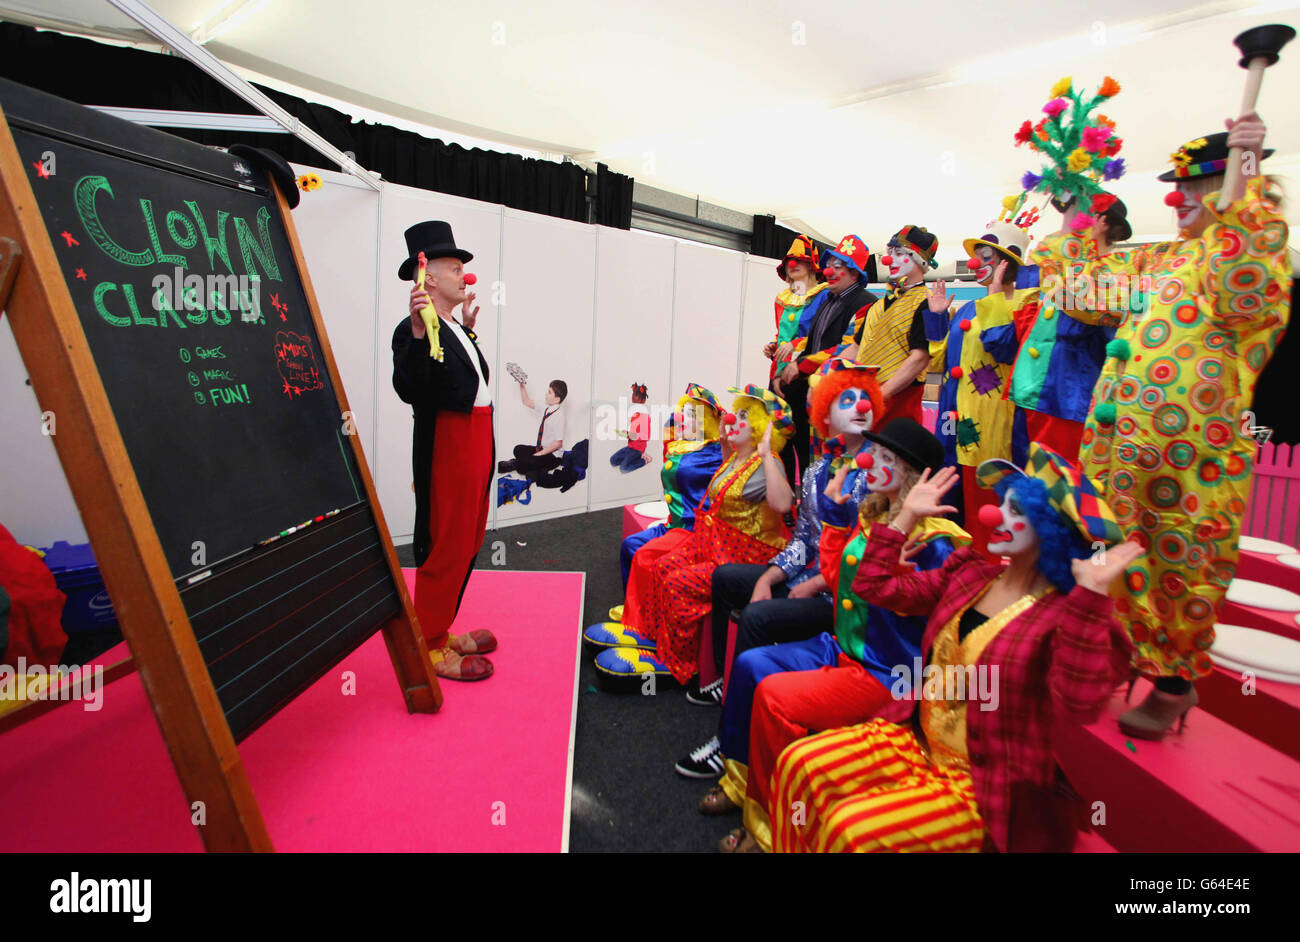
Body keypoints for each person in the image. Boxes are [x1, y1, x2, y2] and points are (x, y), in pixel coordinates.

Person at [770, 445, 1141, 853]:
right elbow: (873, 587)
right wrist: (906, 517)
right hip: (917, 740)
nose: (994, 515)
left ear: (1050, 532)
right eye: (1003, 504)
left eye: (1017, 512)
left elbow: (1078, 702)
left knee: (850, 832)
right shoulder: (971, 572)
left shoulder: (1064, 617)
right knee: (798, 766)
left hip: (981, 781)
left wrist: (1090, 596)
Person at [1064, 117, 1290, 738]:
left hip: (1192, 463)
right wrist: (1079, 215)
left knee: (1183, 560)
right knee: (1117, 549)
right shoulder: (1163, 257)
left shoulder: (1251, 251)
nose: (1178, 198)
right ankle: (1123, 653)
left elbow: (1244, 292)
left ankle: (1173, 682)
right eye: (1177, 185)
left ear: (1229, 189)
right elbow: (1080, 293)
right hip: (1122, 451)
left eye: (1198, 185)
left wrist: (1247, 180)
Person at [701, 418, 971, 853]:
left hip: (885, 673)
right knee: (751, 665)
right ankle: (742, 780)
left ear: (914, 475)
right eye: (875, 455)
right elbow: (838, 579)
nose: (869, 464)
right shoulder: (876, 514)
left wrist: (894, 525)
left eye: (886, 459)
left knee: (775, 697)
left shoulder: (936, 541)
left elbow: (881, 592)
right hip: (843, 649)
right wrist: (833, 524)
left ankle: (771, 826)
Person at [674, 359, 882, 777]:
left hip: (844, 597)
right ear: (825, 411)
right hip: (808, 577)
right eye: (847, 398)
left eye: (865, 398)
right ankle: (724, 684)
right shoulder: (821, 468)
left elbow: (869, 554)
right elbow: (804, 538)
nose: (860, 405)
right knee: (727, 579)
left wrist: (814, 584)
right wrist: (771, 576)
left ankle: (732, 742)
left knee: (757, 617)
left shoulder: (879, 474)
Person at [595, 386, 792, 685]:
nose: (732, 418)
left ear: (759, 428)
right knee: (660, 566)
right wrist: (728, 445)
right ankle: (651, 635)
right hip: (715, 543)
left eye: (743, 415)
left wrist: (766, 454)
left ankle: (679, 662)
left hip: (743, 554)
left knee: (676, 581)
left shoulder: (767, 462)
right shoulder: (734, 459)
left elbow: (783, 504)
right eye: (735, 413)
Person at [392, 220, 499, 681]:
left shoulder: (456, 327)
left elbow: (466, 381)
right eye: (454, 268)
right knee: (444, 542)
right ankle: (429, 645)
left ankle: (439, 628)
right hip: (449, 445)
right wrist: (419, 333)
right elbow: (410, 387)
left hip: (478, 439)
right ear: (428, 278)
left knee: (469, 538)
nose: (465, 276)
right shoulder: (414, 329)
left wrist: (468, 334)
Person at [584, 384, 725, 650]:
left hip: (694, 532)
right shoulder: (683, 446)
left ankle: (645, 627)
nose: (685, 418)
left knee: (645, 556)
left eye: (693, 415)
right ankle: (634, 609)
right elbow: (669, 442)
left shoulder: (714, 453)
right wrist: (678, 418)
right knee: (630, 546)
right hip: (674, 525)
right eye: (685, 412)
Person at [925, 219, 1037, 548]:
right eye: (978, 256)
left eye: (987, 257)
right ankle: (958, 561)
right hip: (955, 419)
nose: (977, 264)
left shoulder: (1025, 305)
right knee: (952, 496)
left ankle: (989, 568)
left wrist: (994, 295)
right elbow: (939, 360)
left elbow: (1001, 347)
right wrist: (937, 319)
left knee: (986, 503)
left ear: (1008, 262)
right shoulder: (972, 307)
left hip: (994, 425)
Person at [777, 235, 878, 479]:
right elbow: (811, 345)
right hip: (808, 394)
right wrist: (785, 372)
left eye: (838, 266)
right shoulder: (827, 301)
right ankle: (797, 507)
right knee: (793, 448)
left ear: (854, 272)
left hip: (837, 397)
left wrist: (801, 364)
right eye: (829, 264)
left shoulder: (867, 303)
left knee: (829, 463)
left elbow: (846, 349)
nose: (829, 271)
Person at [848, 226, 939, 425]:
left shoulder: (926, 303)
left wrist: (882, 393)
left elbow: (920, 357)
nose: (890, 260)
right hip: (865, 400)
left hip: (899, 404)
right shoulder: (878, 304)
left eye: (899, 253)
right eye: (889, 253)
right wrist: (826, 374)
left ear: (918, 259)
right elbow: (856, 347)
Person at [766, 234, 829, 388]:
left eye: (800, 260)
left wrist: (795, 344)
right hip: (779, 371)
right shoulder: (781, 299)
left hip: (806, 370)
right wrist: (774, 345)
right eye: (789, 261)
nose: (793, 264)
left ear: (811, 265)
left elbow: (824, 336)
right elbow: (781, 333)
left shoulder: (824, 294)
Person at [499, 377, 568, 478]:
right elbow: (526, 401)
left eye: (549, 392)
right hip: (541, 448)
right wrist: (522, 385)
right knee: (517, 449)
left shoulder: (559, 416)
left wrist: (539, 454)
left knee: (525, 466)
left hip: (553, 455)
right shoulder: (546, 407)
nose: (546, 394)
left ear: (557, 399)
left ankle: (517, 464)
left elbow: (558, 443)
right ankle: (520, 462)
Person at [609, 383, 652, 473]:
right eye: (634, 403)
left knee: (623, 469)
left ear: (644, 401)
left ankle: (644, 459)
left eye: (638, 404)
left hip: (638, 449)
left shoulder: (645, 416)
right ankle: (630, 461)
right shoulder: (635, 415)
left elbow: (646, 436)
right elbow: (634, 432)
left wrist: (632, 435)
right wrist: (626, 433)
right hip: (631, 446)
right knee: (613, 460)